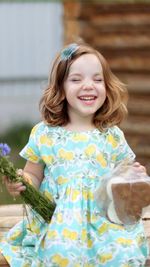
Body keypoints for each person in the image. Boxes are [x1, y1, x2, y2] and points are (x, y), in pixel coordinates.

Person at [0, 42, 149, 266]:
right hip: (60, 221)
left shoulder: (111, 135)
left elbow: (124, 174)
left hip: (105, 222)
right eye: (76, 79)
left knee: (120, 253)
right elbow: (34, 174)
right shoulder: (45, 134)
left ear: (106, 87)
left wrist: (134, 176)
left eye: (97, 80)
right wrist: (22, 182)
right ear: (60, 87)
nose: (88, 86)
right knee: (61, 254)